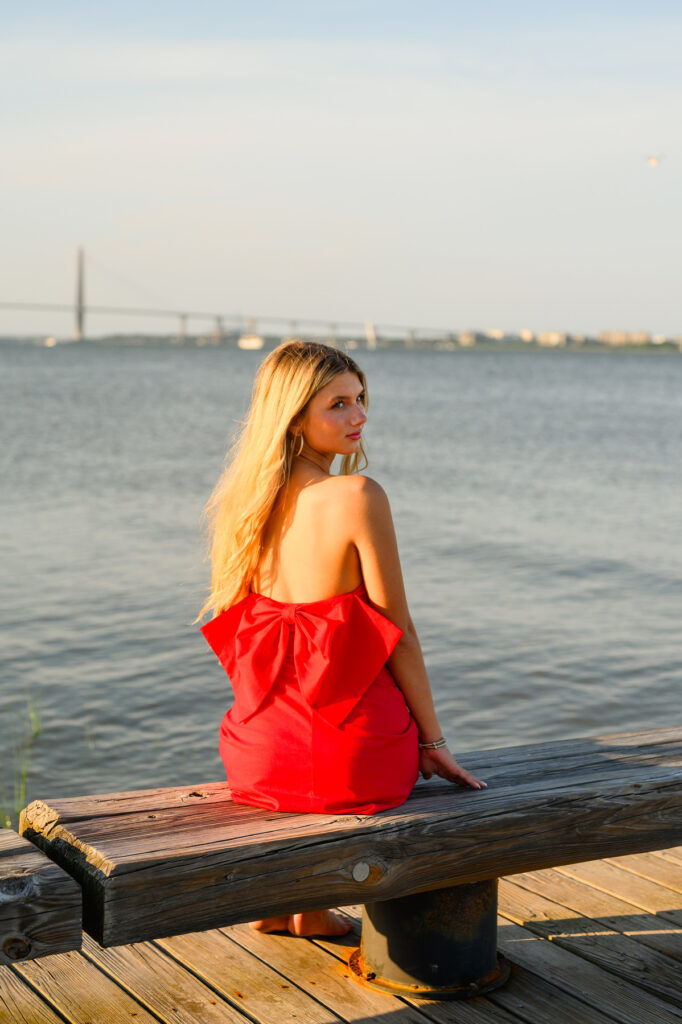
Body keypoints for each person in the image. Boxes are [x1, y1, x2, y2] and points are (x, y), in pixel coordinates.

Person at [197, 340, 486, 937]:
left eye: (361, 400)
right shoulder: (357, 495)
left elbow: (255, 641)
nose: (358, 417)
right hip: (353, 761)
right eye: (338, 405)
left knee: (301, 739)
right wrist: (433, 741)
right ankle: (307, 911)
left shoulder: (244, 503)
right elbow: (400, 635)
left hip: (255, 756)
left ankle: (294, 908)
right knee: (377, 747)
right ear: (294, 415)